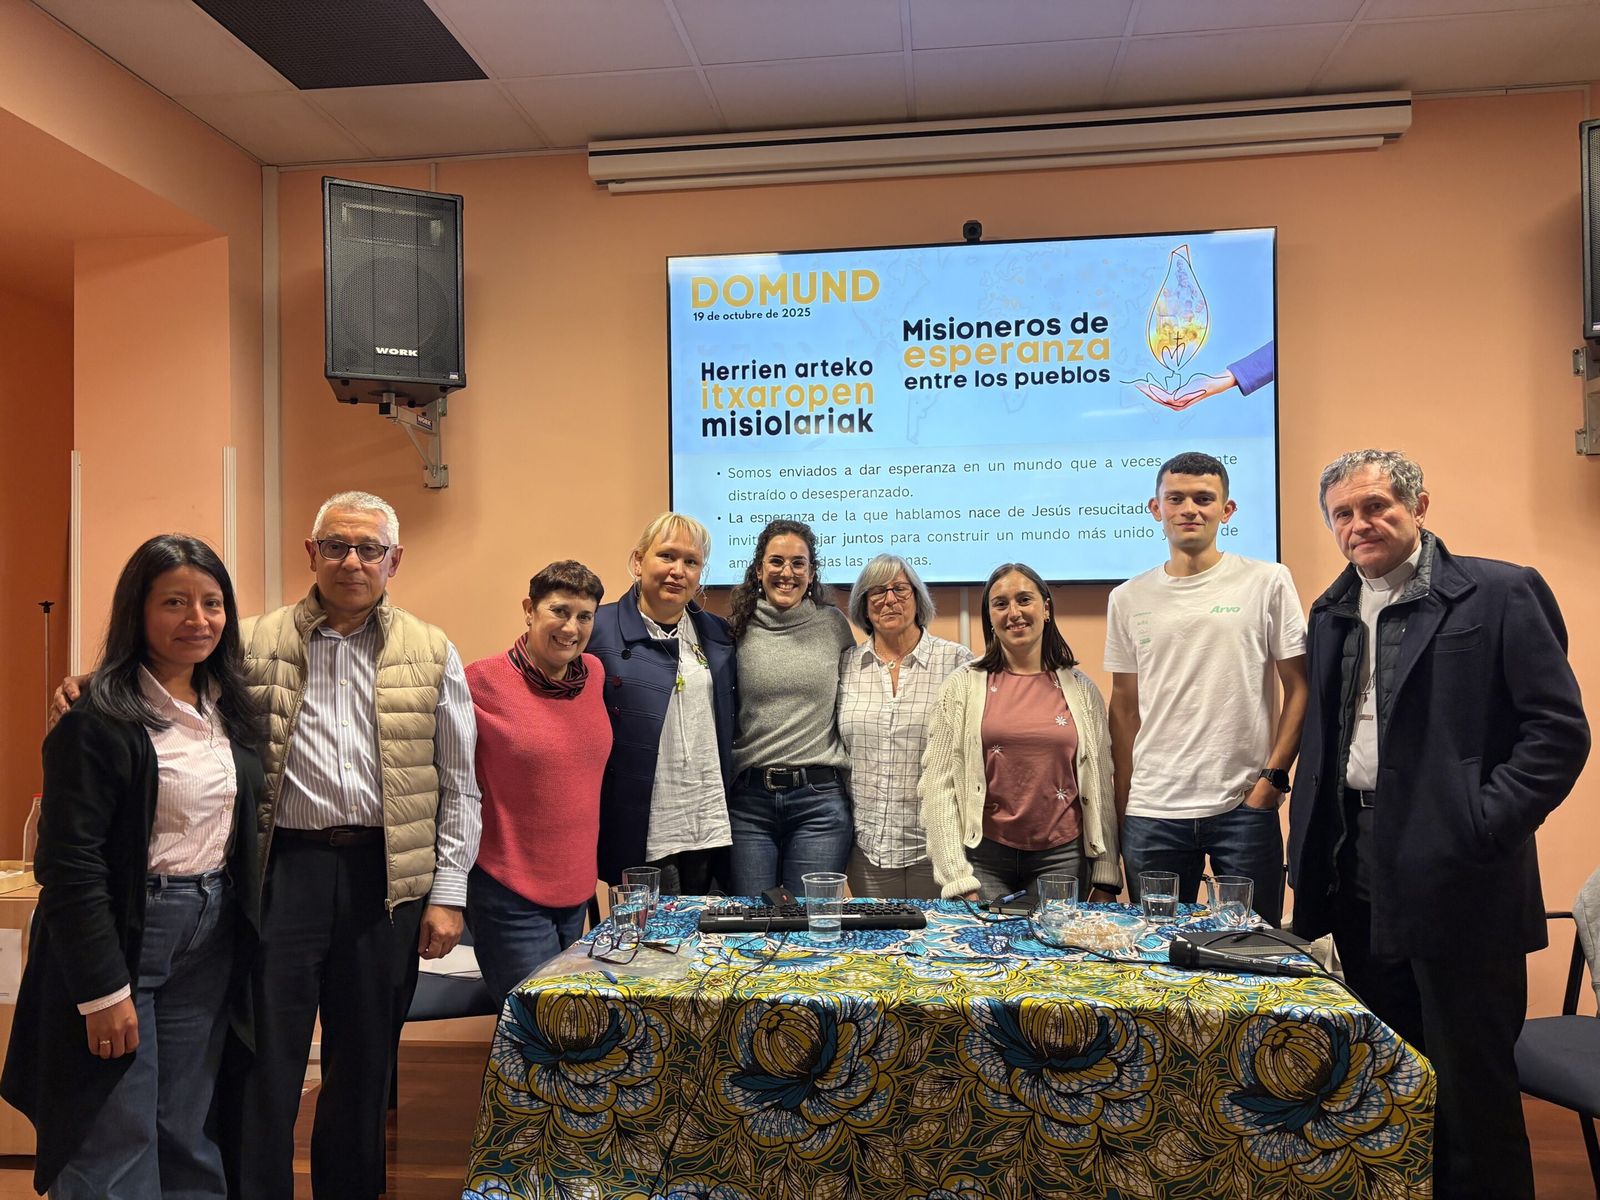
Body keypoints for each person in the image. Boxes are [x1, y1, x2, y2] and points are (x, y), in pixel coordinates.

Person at [1288, 449, 1589, 1200]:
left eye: (1376, 506)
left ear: (1418, 506)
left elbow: (1557, 732)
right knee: (1392, 1077)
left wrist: (1482, 825)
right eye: (1343, 514)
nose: (1360, 524)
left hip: (1462, 878)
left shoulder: (1500, 591)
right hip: (1354, 868)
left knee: (1471, 1090)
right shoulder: (1329, 611)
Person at [218, 491, 481, 1200]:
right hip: (281, 875)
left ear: (395, 560)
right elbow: (175, 696)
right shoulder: (250, 642)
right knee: (263, 1065)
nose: (352, 561)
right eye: (336, 545)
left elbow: (460, 784)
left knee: (363, 1070)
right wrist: (93, 686)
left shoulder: (431, 650)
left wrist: (448, 894)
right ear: (312, 554)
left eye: (369, 548)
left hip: (384, 883)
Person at [3, 535, 266, 1198]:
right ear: (137, 611)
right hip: (127, 932)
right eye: (174, 602)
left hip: (210, 934)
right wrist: (102, 992)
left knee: (186, 1126)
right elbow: (69, 865)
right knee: (112, 1131)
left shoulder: (229, 709)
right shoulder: (96, 721)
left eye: (211, 603)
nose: (197, 619)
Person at [1105, 451, 1307, 925]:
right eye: (1175, 499)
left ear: (1226, 509)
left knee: (1249, 950)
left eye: (1203, 498)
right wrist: (1124, 805)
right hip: (1153, 811)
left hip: (1243, 807)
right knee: (1156, 952)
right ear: (1156, 508)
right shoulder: (1127, 598)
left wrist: (1272, 782)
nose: (1189, 509)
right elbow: (1124, 707)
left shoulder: (1268, 581)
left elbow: (1300, 688)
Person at [921, 562, 1120, 902]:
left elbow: (1100, 784)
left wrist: (1106, 872)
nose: (1014, 613)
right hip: (983, 858)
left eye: (1024, 600)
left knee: (1054, 939)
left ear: (1046, 609)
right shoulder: (960, 687)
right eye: (1000, 604)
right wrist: (955, 877)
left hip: (1062, 857)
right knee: (985, 940)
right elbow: (938, 785)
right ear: (989, 616)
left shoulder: (1083, 691)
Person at [465, 561, 610, 1002]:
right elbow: (450, 784)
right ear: (529, 610)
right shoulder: (480, 681)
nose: (571, 628)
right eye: (559, 611)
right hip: (508, 889)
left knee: (566, 1022)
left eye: (584, 616)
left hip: (576, 890)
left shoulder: (594, 675)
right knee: (537, 1024)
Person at [586, 513, 736, 892]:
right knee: (653, 930)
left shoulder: (718, 634)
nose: (678, 571)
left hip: (708, 820)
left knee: (707, 928)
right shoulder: (598, 630)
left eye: (691, 562)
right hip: (642, 824)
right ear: (639, 562)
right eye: (667, 556)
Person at [724, 519, 855, 896]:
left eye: (799, 563)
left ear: (811, 573)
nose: (787, 573)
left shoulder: (833, 625)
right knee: (754, 920)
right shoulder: (735, 629)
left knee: (812, 921)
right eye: (776, 561)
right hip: (749, 805)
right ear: (759, 569)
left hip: (819, 804)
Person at [837, 554, 972, 899]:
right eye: (876, 591)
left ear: (917, 597)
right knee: (880, 933)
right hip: (868, 849)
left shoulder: (957, 662)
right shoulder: (847, 665)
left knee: (939, 933)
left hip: (938, 847)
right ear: (863, 605)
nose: (889, 599)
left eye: (899, 589)